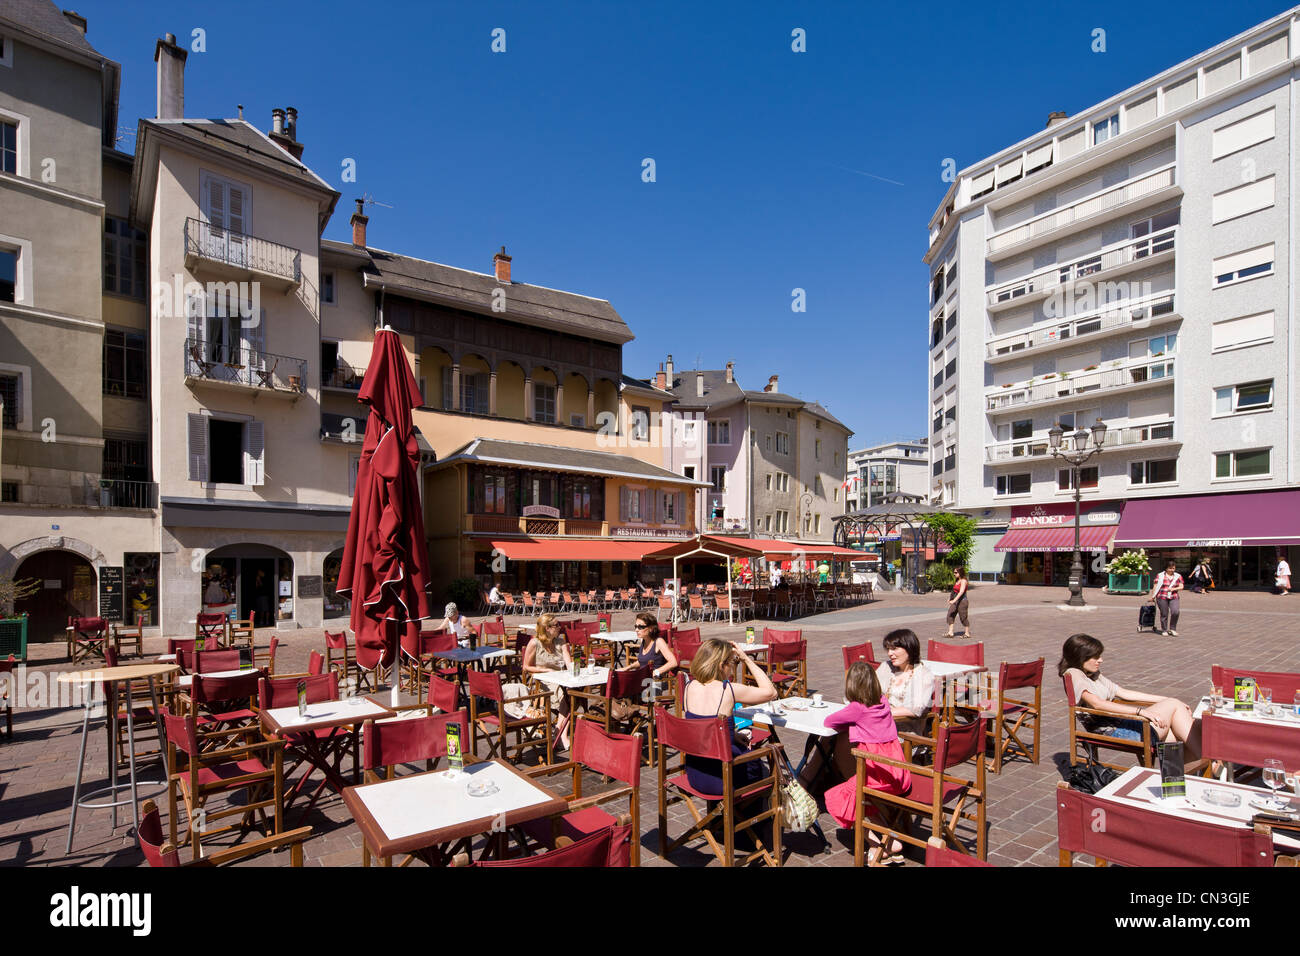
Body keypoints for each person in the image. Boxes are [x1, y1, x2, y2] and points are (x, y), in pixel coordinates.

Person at [798, 662, 911, 865]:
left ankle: (876, 845)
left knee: (842, 798)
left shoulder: (857, 708)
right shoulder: (883, 702)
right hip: (896, 770)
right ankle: (890, 840)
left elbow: (829, 722)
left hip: (877, 773)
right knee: (861, 799)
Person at [1058, 633, 1200, 762]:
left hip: (1122, 725)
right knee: (1177, 712)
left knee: (1178, 736)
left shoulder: (1093, 674)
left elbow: (1124, 693)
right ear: (1080, 657)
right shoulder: (1074, 674)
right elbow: (1097, 704)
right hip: (1117, 732)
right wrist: (1141, 711)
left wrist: (1164, 699)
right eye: (1095, 657)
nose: (1100, 660)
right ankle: (1207, 763)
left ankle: (1179, 783)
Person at [681, 639, 776, 795]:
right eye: (732, 662)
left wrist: (730, 735)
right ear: (721, 666)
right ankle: (757, 816)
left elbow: (698, 730)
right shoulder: (728, 690)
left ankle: (729, 816)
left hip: (695, 773)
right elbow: (771, 692)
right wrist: (746, 658)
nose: (732, 667)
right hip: (723, 777)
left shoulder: (688, 687)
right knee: (763, 764)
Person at [522, 613, 575, 750]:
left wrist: (576, 667)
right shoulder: (535, 643)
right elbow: (526, 667)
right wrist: (545, 670)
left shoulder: (560, 642)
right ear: (547, 628)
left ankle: (559, 731)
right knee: (568, 695)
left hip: (561, 678)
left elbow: (569, 664)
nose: (560, 627)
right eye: (557, 625)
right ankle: (562, 735)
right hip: (543, 681)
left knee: (572, 692)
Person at [876, 628, 935, 736]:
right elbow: (867, 689)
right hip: (878, 723)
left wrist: (878, 713)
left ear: (909, 648)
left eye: (894, 649)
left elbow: (914, 709)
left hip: (904, 734)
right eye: (888, 649)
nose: (890, 653)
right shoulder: (886, 667)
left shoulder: (923, 675)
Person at [625, 612, 677, 682]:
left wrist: (656, 672)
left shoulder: (659, 641)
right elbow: (642, 661)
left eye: (641, 627)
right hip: (642, 679)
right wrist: (628, 667)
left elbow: (673, 662)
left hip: (654, 682)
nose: (636, 630)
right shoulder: (644, 641)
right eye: (636, 627)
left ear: (651, 628)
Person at [1146, 561, 1184, 636]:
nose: (1172, 570)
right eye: (1170, 568)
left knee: (1175, 612)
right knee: (1164, 613)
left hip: (1174, 596)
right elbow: (1155, 586)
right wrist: (1153, 596)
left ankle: (1173, 629)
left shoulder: (1178, 576)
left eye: (1173, 568)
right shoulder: (1160, 575)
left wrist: (1173, 589)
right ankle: (1164, 629)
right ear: (1166, 568)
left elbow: (1181, 586)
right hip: (1162, 596)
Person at [944, 566, 972, 639]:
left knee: (963, 617)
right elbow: (954, 591)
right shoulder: (957, 580)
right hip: (956, 601)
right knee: (950, 614)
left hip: (962, 601)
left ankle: (967, 633)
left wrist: (954, 600)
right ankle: (950, 632)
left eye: (956, 572)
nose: (954, 574)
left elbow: (961, 592)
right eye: (954, 572)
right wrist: (950, 598)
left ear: (960, 572)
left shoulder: (963, 581)